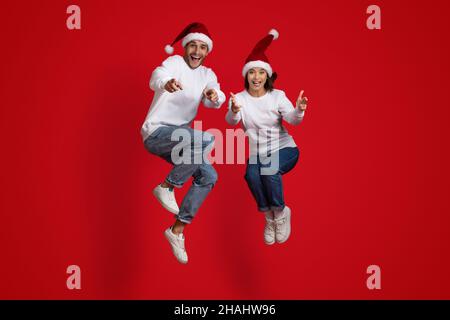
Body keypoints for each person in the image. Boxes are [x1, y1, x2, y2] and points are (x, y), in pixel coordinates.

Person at [141, 22, 225, 264]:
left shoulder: (207, 74)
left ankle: (176, 231)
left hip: (181, 140)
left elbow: (215, 95)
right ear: (185, 47)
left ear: (207, 51)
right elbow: (157, 75)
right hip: (156, 133)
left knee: (209, 176)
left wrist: (214, 96)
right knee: (206, 139)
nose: (196, 51)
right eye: (192, 46)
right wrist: (165, 83)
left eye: (202, 47)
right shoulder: (174, 63)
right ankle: (167, 186)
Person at [225, 29, 308, 245]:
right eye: (252, 72)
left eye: (261, 72)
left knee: (269, 169)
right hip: (257, 154)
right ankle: (270, 217)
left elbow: (293, 119)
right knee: (252, 176)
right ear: (246, 75)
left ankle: (280, 213)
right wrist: (234, 110)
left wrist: (299, 109)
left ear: (267, 75)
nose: (256, 77)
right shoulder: (239, 99)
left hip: (284, 149)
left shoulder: (277, 96)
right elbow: (231, 121)